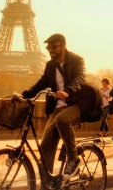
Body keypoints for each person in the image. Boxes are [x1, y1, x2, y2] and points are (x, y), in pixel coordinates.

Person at [19, 33, 86, 181]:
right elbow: (42, 83)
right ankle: (47, 185)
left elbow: (80, 79)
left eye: (54, 47)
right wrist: (25, 95)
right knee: (45, 149)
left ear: (63, 46)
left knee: (63, 120)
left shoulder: (76, 60)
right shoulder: (50, 65)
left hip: (75, 105)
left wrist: (67, 91)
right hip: (56, 108)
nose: (51, 50)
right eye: (49, 48)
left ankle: (73, 159)